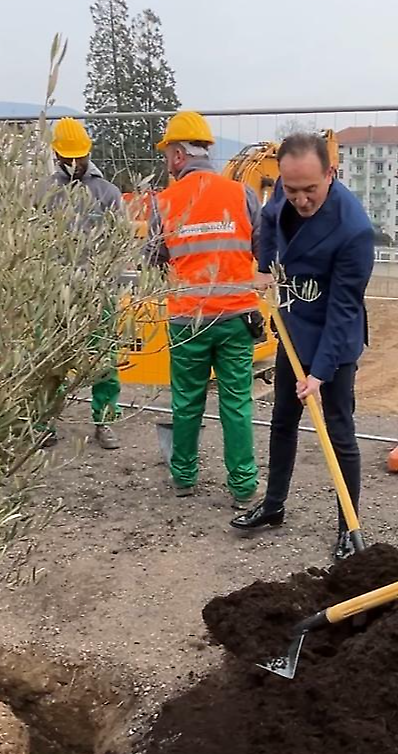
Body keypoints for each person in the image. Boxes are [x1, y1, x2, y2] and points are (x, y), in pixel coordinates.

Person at [230, 132, 374, 562]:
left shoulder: (354, 230)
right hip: (293, 328)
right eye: (292, 189)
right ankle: (273, 506)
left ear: (330, 173)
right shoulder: (282, 194)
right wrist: (264, 268)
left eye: (310, 190)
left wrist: (320, 373)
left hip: (334, 341)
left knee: (339, 432)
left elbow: (344, 310)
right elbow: (270, 220)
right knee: (282, 421)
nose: (301, 200)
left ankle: (349, 526)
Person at [143, 110, 263, 506]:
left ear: (178, 155)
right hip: (236, 318)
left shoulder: (164, 202)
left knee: (187, 400)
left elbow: (153, 259)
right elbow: (261, 250)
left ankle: (183, 478)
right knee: (236, 403)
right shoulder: (242, 194)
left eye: (167, 155)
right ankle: (244, 487)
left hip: (187, 320)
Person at [40, 117, 123, 450]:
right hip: (53, 292)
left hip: (97, 292)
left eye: (80, 156)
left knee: (102, 361)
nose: (75, 163)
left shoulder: (108, 192)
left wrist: (108, 283)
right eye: (68, 157)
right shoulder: (44, 192)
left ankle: (105, 421)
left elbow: (120, 242)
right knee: (50, 361)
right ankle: (44, 421)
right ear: (56, 155)